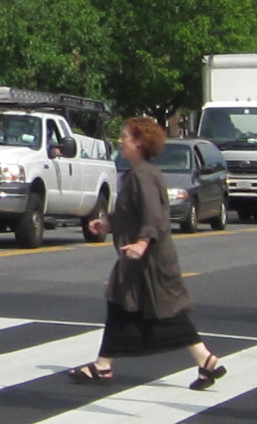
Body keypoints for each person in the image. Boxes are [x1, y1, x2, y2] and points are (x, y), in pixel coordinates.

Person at [70, 118, 229, 390]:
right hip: (140, 258)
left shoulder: (143, 174)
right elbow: (132, 211)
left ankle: (205, 359)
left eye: (125, 137)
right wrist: (108, 223)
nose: (120, 141)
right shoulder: (140, 173)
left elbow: (154, 216)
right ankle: (104, 365)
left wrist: (143, 242)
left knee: (164, 311)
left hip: (149, 260)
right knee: (123, 305)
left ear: (139, 143)